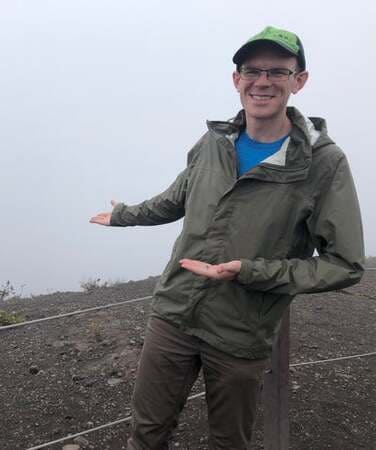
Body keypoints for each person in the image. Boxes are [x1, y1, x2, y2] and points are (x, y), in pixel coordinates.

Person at [89, 26, 364, 449]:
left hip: (241, 331)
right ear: (237, 79)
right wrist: (124, 215)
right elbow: (176, 198)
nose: (263, 81)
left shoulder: (323, 163)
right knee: (146, 434)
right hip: (174, 312)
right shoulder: (214, 142)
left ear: (299, 80)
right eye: (252, 70)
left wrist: (250, 272)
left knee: (228, 442)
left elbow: (345, 264)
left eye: (278, 71)